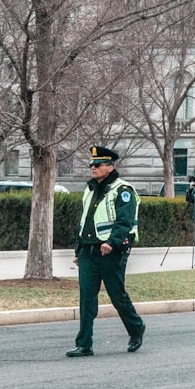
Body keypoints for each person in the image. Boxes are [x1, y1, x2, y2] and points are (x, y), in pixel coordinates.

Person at [67, 146, 145, 357]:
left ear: (110, 167)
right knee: (87, 298)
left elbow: (124, 221)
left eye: (97, 165)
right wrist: (78, 249)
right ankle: (84, 344)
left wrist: (111, 242)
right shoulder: (90, 189)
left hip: (112, 252)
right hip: (88, 252)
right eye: (91, 164)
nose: (92, 168)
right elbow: (84, 223)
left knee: (116, 295)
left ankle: (136, 329)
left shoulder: (123, 190)